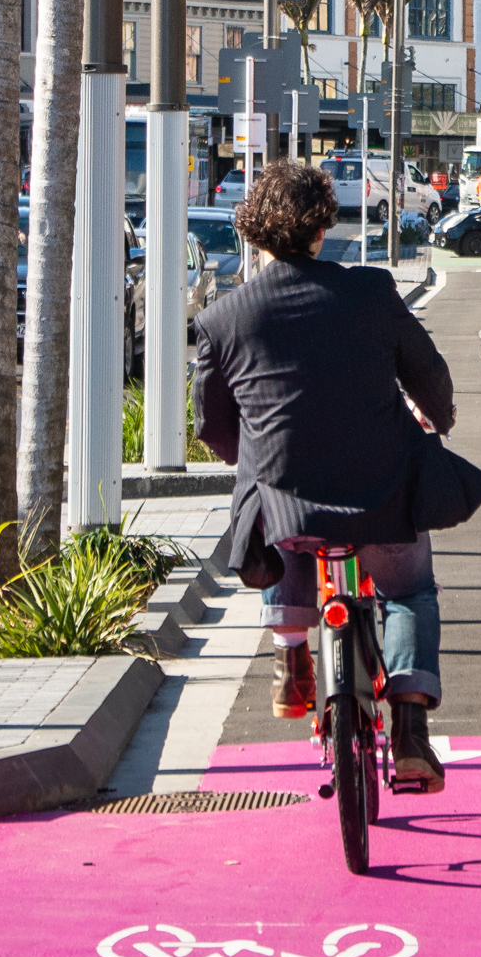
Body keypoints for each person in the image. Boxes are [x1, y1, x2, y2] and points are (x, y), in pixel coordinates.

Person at [194, 162, 465, 792]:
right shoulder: (371, 293)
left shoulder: (224, 318)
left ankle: (292, 659)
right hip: (381, 491)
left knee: (270, 497)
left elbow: (213, 428)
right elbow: (430, 376)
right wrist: (440, 419)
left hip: (288, 505)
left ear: (256, 233)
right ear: (321, 229)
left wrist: (257, 456)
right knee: (409, 592)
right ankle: (411, 730)